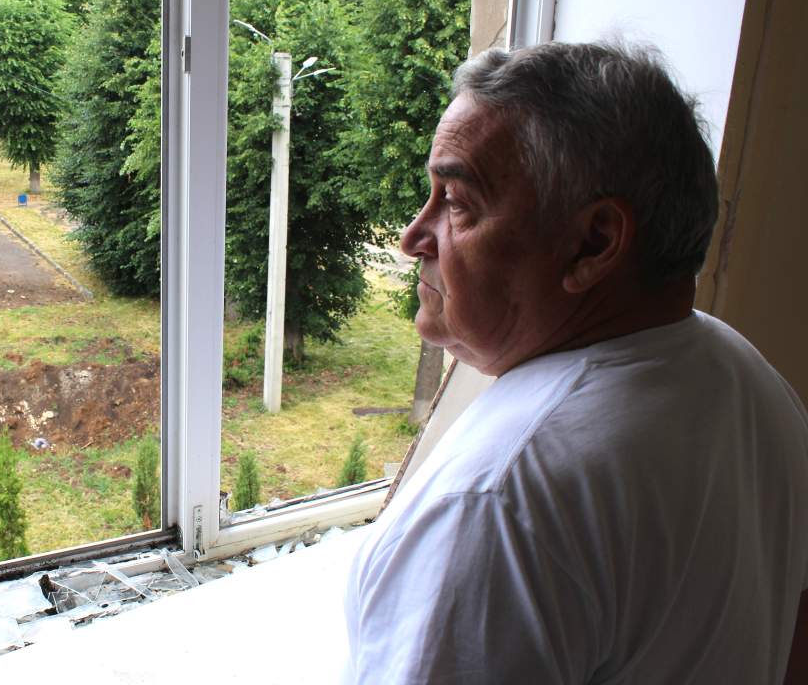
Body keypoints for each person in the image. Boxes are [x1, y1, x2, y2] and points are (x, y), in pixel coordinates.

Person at [344, 42, 808, 684]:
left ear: (593, 243)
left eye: (456, 201)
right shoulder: (752, 380)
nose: (413, 236)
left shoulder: (496, 504)